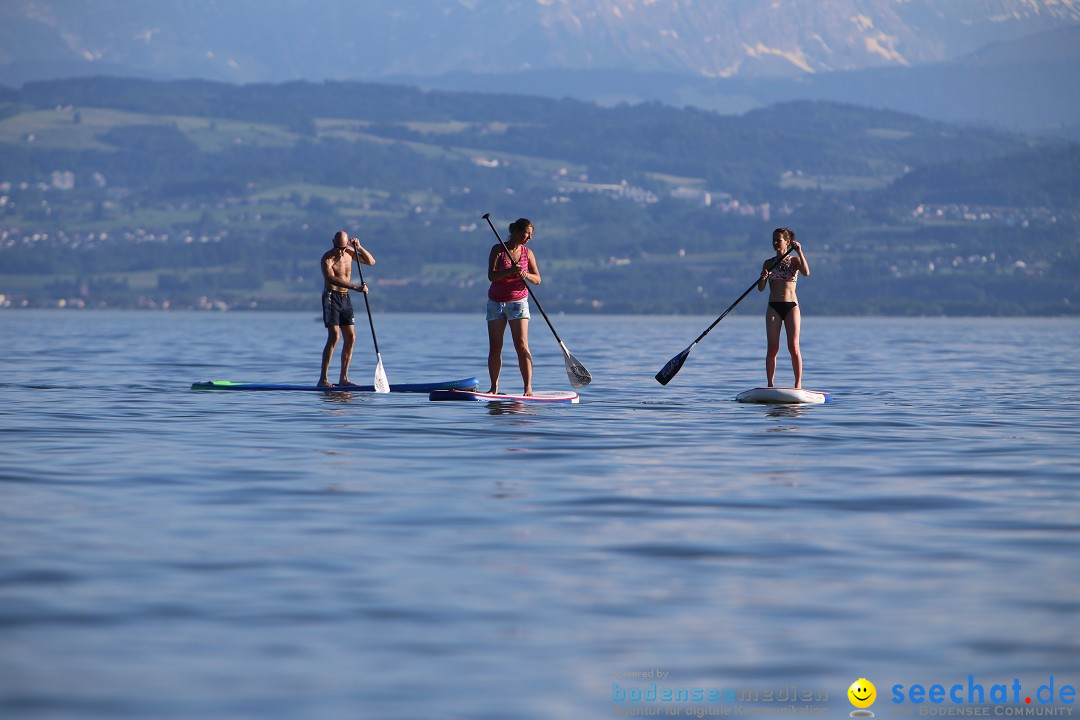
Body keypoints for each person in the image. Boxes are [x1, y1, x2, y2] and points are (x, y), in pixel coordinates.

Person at [486, 217, 541, 395]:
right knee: (495, 346)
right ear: (516, 232)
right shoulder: (498, 249)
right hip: (496, 302)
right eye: (527, 233)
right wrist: (510, 271)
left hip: (518, 303)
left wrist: (525, 275)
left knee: (521, 345)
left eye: (531, 234)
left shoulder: (528, 253)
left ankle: (528, 388)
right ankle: (494, 388)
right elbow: (491, 277)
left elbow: (537, 279)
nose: (529, 237)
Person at [319, 230, 376, 387]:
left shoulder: (350, 253)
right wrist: (355, 287)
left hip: (346, 299)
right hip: (331, 297)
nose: (341, 251)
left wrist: (359, 247)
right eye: (338, 248)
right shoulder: (327, 259)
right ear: (333, 243)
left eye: (343, 248)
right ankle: (323, 379)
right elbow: (331, 278)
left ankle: (343, 378)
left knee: (351, 338)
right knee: (334, 336)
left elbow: (371, 262)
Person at [757, 227, 811, 388]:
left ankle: (798, 384)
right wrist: (763, 278)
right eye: (773, 240)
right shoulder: (768, 263)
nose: (775, 243)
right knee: (772, 347)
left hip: (791, 306)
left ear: (787, 242)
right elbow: (761, 288)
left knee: (793, 346)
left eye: (778, 240)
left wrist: (800, 251)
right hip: (773, 306)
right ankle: (770, 385)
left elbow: (806, 272)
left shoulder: (794, 261)